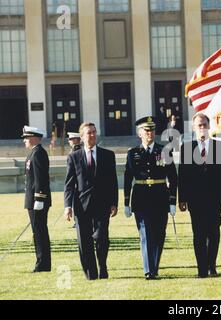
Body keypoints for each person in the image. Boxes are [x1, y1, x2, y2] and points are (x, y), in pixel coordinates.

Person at [178, 113, 221, 278]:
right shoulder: (187, 148)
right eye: (198, 125)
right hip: (195, 199)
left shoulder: (219, 147)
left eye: (204, 125)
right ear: (194, 128)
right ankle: (202, 268)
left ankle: (211, 265)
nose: (202, 128)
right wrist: (182, 198)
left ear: (209, 126)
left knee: (214, 232)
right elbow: (183, 175)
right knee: (199, 233)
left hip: (214, 198)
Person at [124, 116, 178, 280]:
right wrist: (126, 202)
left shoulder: (164, 151)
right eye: (146, 130)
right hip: (141, 198)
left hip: (160, 196)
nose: (150, 133)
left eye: (152, 130)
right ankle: (149, 270)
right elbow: (128, 178)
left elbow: (173, 177)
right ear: (140, 133)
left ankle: (154, 266)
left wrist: (172, 200)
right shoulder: (133, 153)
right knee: (145, 234)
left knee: (159, 234)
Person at [64, 123, 118, 280]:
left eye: (94, 132)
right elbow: (69, 184)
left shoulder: (107, 155)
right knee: (84, 241)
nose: (93, 135)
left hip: (102, 204)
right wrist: (67, 206)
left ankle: (103, 265)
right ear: (82, 137)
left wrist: (114, 202)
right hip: (81, 205)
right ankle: (91, 273)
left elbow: (113, 181)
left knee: (102, 237)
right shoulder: (74, 157)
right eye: (89, 133)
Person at [22, 126, 52, 273]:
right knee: (38, 232)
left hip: (37, 201)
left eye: (27, 138)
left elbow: (41, 178)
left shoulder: (39, 153)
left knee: (40, 232)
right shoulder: (33, 153)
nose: (25, 141)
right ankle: (41, 262)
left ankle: (43, 264)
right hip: (32, 200)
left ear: (34, 138)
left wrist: (39, 198)